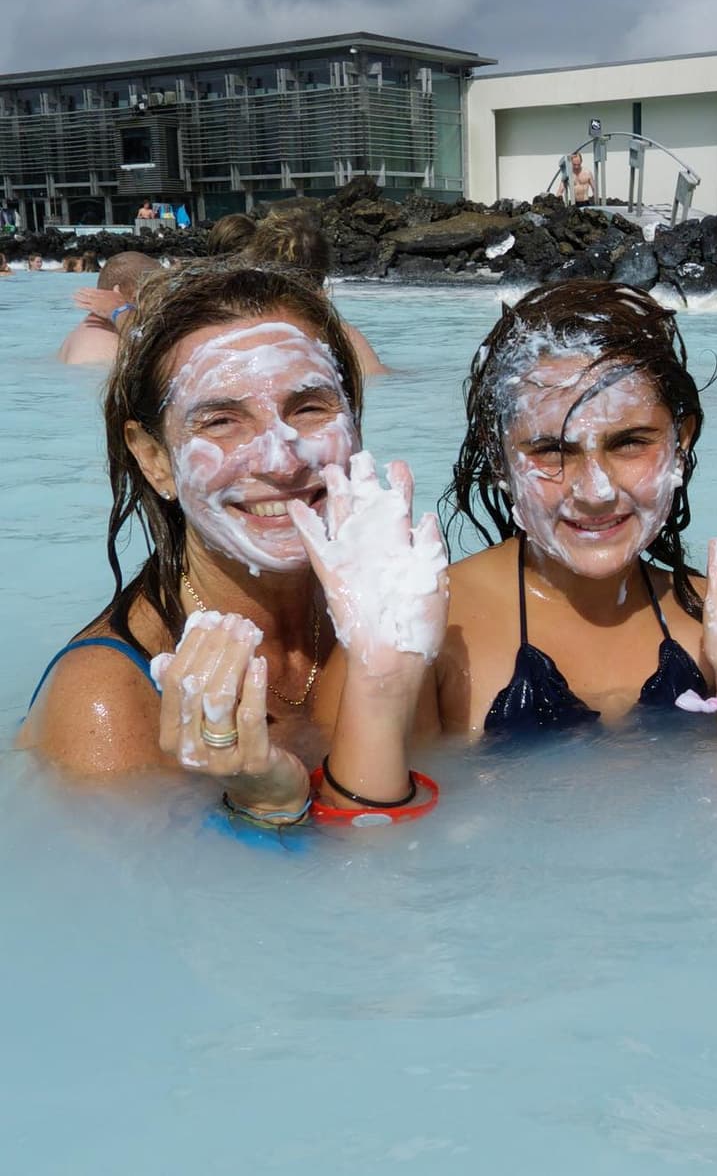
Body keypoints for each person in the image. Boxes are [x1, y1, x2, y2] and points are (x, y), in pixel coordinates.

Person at [20, 263, 448, 828]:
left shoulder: (402, 611)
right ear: (154, 460)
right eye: (222, 421)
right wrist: (267, 809)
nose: (282, 459)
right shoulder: (106, 700)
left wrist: (384, 681)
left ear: (354, 420)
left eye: (310, 407)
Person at [432, 280, 717, 743]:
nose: (595, 491)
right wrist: (383, 679)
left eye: (629, 442)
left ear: (679, 441)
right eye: (550, 450)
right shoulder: (433, 627)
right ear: (498, 455)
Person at [241, 209, 388, 376]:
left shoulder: (241, 330)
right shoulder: (340, 335)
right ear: (324, 271)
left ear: (257, 267)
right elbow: (377, 376)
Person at [59, 252, 161, 365]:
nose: (162, 305)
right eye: (158, 296)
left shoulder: (84, 330)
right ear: (136, 296)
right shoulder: (105, 350)